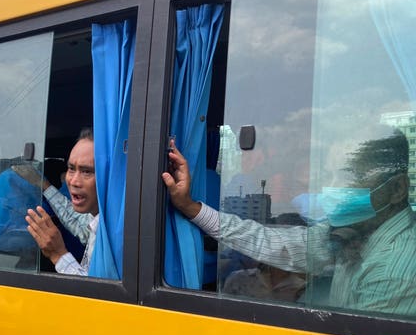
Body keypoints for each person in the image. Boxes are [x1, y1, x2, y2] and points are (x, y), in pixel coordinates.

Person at [162, 132, 416, 316]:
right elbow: (271, 242)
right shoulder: (358, 231)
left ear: (397, 188)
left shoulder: (395, 269)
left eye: (348, 175)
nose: (332, 187)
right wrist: (191, 207)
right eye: (329, 174)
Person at [13, 128, 97, 276]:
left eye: (87, 171)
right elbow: (80, 224)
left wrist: (58, 255)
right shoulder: (98, 221)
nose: (74, 181)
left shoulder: (120, 233)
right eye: (71, 169)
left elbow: (97, 296)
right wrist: (43, 185)